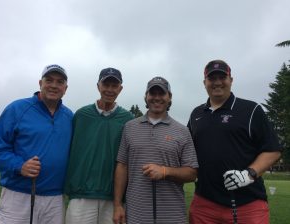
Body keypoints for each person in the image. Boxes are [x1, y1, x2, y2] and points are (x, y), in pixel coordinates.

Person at [187, 59, 282, 224]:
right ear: (205, 83)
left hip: (247, 204)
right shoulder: (196, 114)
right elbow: (186, 150)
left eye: (222, 77)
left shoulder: (251, 110)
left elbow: (272, 150)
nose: (217, 82)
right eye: (212, 78)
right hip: (204, 203)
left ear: (231, 80)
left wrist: (249, 174)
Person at [0, 64, 73, 224]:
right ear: (40, 83)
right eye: (49, 80)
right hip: (18, 195)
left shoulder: (69, 116)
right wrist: (19, 166)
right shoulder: (17, 108)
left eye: (59, 82)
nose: (54, 85)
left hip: (55, 199)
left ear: (65, 88)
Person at [113, 76, 198, 224]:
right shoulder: (130, 127)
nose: (157, 98)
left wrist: (165, 171)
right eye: (153, 93)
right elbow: (122, 166)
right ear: (146, 97)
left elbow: (192, 173)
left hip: (172, 216)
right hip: (136, 215)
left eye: (162, 93)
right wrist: (117, 205)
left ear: (169, 97)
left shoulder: (182, 131)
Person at [65, 67, 133, 224]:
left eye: (114, 86)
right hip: (81, 195)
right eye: (105, 85)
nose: (109, 90)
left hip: (113, 198)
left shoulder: (128, 119)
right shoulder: (81, 115)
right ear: (98, 86)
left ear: (120, 89)